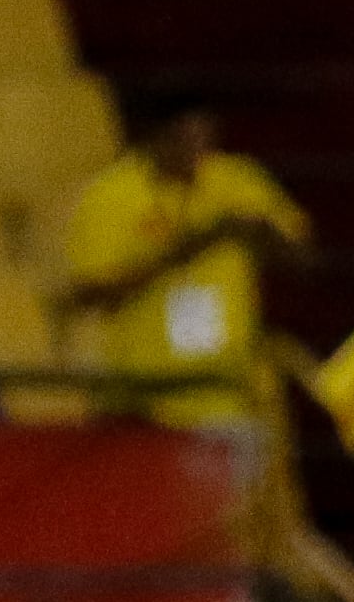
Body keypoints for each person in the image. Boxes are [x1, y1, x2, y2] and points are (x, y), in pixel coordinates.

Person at [63, 96, 311, 428]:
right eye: (183, 140)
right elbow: (90, 294)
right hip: (148, 398)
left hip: (227, 393)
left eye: (206, 139)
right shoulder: (110, 195)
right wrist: (183, 253)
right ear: (155, 138)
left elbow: (304, 259)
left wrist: (264, 232)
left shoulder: (237, 179)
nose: (197, 153)